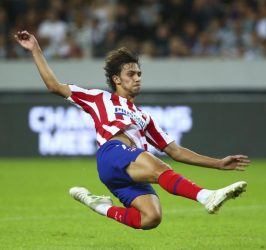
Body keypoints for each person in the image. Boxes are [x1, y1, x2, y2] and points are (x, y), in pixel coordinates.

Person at [14, 30, 250, 230]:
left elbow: (176, 151)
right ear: (117, 79)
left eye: (139, 74)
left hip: (127, 170)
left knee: (151, 218)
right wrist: (35, 49)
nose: (137, 78)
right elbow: (54, 86)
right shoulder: (98, 98)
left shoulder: (144, 117)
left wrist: (218, 164)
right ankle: (206, 196)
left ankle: (100, 205)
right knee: (160, 168)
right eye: (131, 74)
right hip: (113, 153)